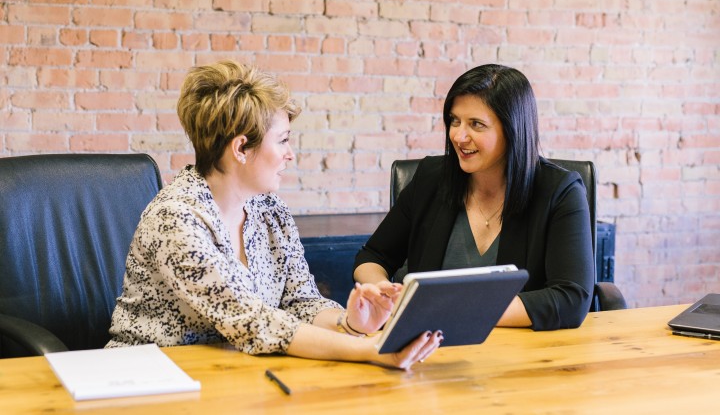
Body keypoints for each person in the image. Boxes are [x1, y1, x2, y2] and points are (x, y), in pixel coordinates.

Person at [107, 60, 442, 369]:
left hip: (234, 374)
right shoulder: (176, 218)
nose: (290, 154)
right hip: (148, 377)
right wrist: (371, 349)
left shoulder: (270, 210)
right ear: (240, 148)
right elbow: (252, 321)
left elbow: (301, 301)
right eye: (282, 141)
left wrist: (351, 323)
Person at [353, 64, 595, 330]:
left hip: (520, 352)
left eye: (476, 124)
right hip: (427, 348)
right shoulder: (431, 178)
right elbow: (373, 256)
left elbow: (571, 298)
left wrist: (452, 310)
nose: (458, 136)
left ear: (513, 129)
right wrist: (381, 291)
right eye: (455, 121)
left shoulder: (560, 191)